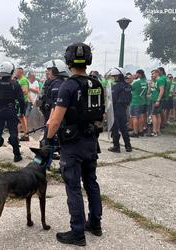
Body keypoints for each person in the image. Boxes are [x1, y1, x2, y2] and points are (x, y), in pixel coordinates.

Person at [45, 42, 104, 246]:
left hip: (72, 145)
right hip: (91, 142)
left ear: (69, 60)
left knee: (73, 187)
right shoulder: (97, 84)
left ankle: (77, 232)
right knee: (91, 183)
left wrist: (48, 138)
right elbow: (101, 114)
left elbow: (55, 120)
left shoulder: (68, 86)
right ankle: (95, 224)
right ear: (88, 60)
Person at [0, 62, 25, 162]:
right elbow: (21, 100)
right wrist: (22, 112)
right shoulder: (15, 84)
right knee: (13, 133)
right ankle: (17, 155)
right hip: (11, 111)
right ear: (11, 71)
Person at [108, 67, 132, 152]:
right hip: (124, 109)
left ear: (120, 76)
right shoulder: (128, 86)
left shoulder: (116, 86)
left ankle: (116, 147)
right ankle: (128, 146)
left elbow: (112, 99)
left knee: (115, 128)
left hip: (116, 109)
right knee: (124, 128)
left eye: (116, 76)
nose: (114, 78)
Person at [15, 67, 30, 141]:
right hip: (21, 102)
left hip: (22, 102)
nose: (15, 73)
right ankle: (26, 135)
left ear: (20, 73)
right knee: (21, 118)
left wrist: (15, 92)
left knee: (18, 118)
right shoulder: (20, 80)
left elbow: (25, 91)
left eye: (16, 72)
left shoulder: (23, 80)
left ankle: (16, 137)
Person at [150, 69, 165, 136]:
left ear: (157, 73)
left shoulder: (160, 80)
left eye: (153, 73)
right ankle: (158, 130)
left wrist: (158, 100)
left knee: (153, 115)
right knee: (157, 115)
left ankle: (154, 131)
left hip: (157, 100)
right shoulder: (156, 81)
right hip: (154, 99)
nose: (152, 75)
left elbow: (162, 91)